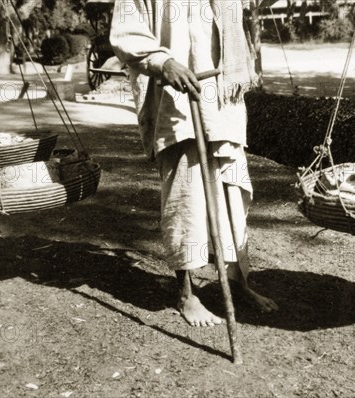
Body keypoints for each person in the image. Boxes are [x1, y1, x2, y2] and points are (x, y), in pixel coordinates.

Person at [110, 0, 278, 327]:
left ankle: (237, 283)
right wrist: (163, 61)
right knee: (185, 199)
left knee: (230, 191)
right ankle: (186, 294)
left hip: (222, 95)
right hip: (174, 100)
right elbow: (125, 31)